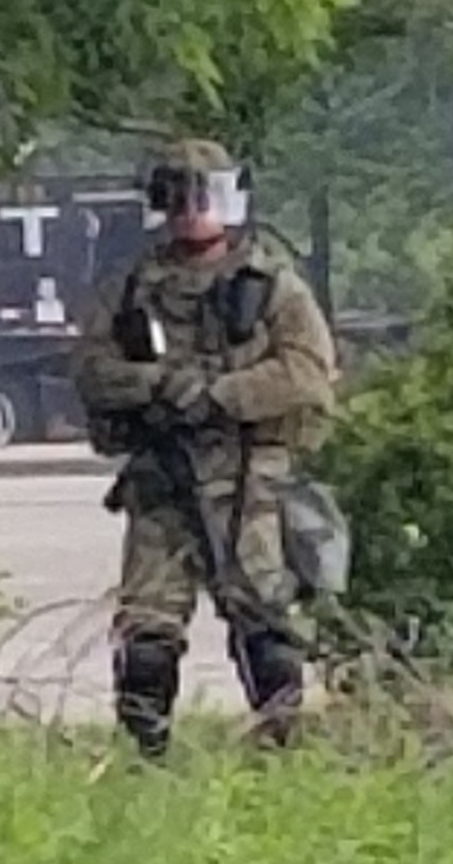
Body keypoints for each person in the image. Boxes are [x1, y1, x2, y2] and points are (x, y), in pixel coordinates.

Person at [70, 138, 340, 757]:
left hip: (246, 480)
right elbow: (90, 370)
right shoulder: (131, 289)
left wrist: (219, 394)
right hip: (162, 480)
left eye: (206, 195)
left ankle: (283, 749)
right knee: (148, 629)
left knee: (264, 623)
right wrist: (159, 385)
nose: (193, 210)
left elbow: (307, 372)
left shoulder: (270, 285)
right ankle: (146, 755)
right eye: (180, 195)